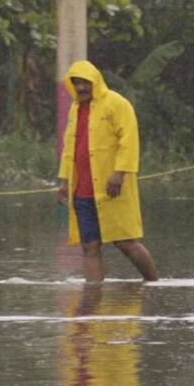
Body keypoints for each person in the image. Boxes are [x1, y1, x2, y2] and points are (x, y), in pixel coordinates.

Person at [56, 60, 159, 283]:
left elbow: (129, 140)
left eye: (86, 82)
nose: (82, 87)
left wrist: (119, 173)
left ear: (96, 81)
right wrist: (64, 181)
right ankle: (93, 295)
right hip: (82, 190)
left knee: (125, 242)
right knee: (89, 245)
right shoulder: (75, 109)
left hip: (112, 187)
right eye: (77, 83)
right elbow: (69, 147)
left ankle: (153, 284)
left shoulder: (116, 104)